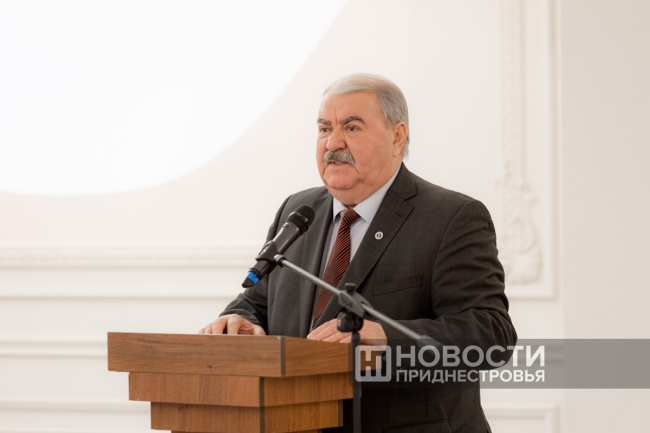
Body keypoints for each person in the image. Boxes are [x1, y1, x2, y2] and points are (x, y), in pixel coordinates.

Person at [199, 73, 516, 432]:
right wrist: (240, 320)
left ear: (397, 137)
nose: (332, 142)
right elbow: (257, 300)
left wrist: (385, 340)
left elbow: (491, 335)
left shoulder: (451, 217)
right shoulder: (298, 211)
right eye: (324, 128)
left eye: (351, 128)